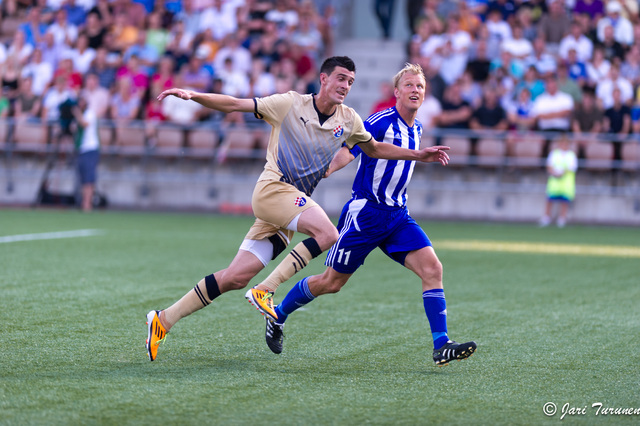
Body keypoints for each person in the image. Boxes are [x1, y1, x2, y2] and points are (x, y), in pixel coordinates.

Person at [145, 56, 451, 361]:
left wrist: (419, 155)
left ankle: (164, 319)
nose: (345, 85)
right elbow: (236, 104)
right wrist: (193, 96)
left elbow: (373, 148)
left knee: (236, 277)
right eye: (340, 78)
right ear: (324, 79)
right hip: (272, 190)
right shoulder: (290, 104)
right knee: (327, 232)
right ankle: (266, 290)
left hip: (291, 206)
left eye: (350, 81)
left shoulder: (349, 119)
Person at [252, 63, 475, 366]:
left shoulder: (418, 129)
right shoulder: (380, 121)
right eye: (409, 85)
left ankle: (441, 344)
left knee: (432, 268)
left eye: (420, 87)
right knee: (331, 283)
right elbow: (350, 148)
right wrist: (327, 169)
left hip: (397, 216)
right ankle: (278, 315)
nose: (415, 90)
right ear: (397, 92)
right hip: (366, 214)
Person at [539, 134, 578, 228]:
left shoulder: (571, 155)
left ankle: (562, 219)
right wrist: (554, 172)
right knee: (549, 200)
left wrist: (562, 172)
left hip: (566, 183)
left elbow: (572, 168)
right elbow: (549, 166)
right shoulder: (554, 153)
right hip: (554, 182)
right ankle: (546, 217)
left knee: (564, 202)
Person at [71, 97, 100, 212]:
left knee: (89, 178)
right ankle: (84, 203)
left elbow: (85, 124)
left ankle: (88, 203)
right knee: (83, 178)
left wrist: (77, 114)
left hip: (90, 148)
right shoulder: (81, 116)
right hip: (82, 149)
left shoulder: (89, 113)